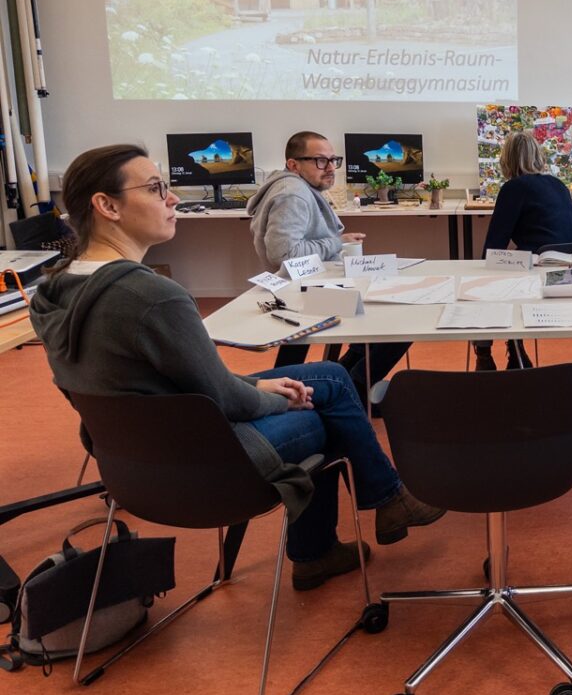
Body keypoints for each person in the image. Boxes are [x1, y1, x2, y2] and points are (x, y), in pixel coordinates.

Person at [31, 145, 445, 592]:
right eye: (155, 189)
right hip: (208, 459)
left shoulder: (54, 290)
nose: (172, 200)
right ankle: (333, 537)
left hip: (131, 460)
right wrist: (273, 395)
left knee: (330, 377)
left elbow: (181, 384)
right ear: (106, 205)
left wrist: (262, 382)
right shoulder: (152, 297)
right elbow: (224, 400)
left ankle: (380, 504)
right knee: (319, 409)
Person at [245, 130, 410, 408]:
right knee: (404, 318)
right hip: (307, 294)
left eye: (333, 160)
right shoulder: (293, 194)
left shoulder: (296, 187)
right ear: (293, 164)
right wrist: (336, 242)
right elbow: (284, 255)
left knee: (380, 308)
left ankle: (345, 379)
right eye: (320, 161)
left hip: (310, 286)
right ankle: (354, 390)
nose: (330, 167)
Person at [476, 130, 572, 371]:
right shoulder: (558, 184)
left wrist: (479, 271)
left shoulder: (514, 188)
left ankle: (484, 353)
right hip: (567, 270)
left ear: (507, 160)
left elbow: (494, 246)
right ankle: (516, 351)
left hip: (536, 273)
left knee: (485, 282)